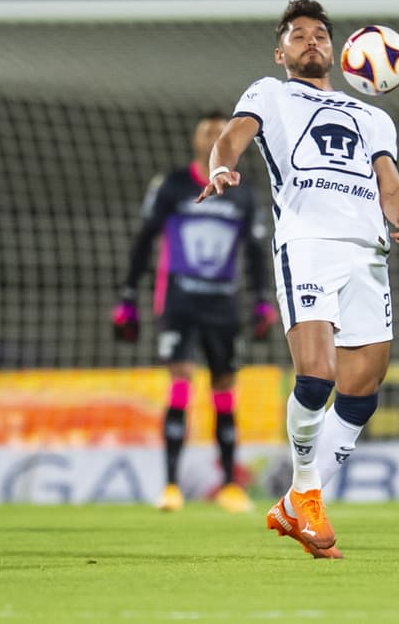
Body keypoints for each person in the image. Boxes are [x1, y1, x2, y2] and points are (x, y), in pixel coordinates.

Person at [196, 0, 399, 560]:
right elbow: (234, 135)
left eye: (320, 34)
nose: (311, 41)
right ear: (281, 52)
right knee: (316, 377)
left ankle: (298, 500)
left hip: (367, 252)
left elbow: (388, 179)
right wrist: (222, 165)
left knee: (362, 387)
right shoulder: (269, 93)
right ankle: (307, 490)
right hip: (308, 245)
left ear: (339, 50)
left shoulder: (373, 115)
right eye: (299, 35)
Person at [111, 111, 277, 514]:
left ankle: (228, 486)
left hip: (223, 303)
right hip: (179, 301)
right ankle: (170, 486)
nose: (215, 136)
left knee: (224, 389)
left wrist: (262, 299)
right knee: (181, 381)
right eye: (207, 130)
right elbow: (144, 239)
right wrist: (128, 296)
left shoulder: (243, 192)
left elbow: (256, 252)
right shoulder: (173, 185)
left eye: (222, 130)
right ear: (196, 139)